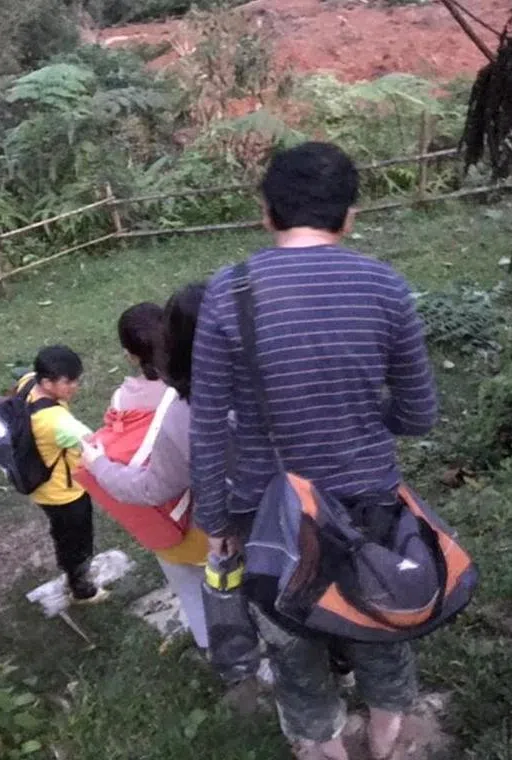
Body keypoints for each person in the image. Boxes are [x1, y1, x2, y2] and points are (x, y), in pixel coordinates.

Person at [189, 141, 438, 760]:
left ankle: (323, 749)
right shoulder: (385, 286)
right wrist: (359, 413)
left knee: (294, 649)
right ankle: (386, 745)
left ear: (267, 212)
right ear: (349, 216)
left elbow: (207, 427)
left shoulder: (228, 291)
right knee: (381, 628)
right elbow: (419, 414)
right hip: (370, 506)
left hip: (269, 514)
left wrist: (216, 524)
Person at [80, 297, 210, 647]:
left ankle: (215, 651)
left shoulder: (125, 401)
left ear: (130, 355)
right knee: (236, 588)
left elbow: (149, 486)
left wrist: (97, 464)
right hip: (217, 521)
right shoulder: (201, 388)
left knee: (192, 593)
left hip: (173, 527)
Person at [26, 345, 106, 604]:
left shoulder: (27, 385)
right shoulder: (57, 422)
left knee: (61, 533)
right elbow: (96, 447)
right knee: (78, 541)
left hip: (42, 488)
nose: (75, 387)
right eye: (68, 382)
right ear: (47, 382)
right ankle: (82, 589)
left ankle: (68, 568)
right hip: (67, 493)